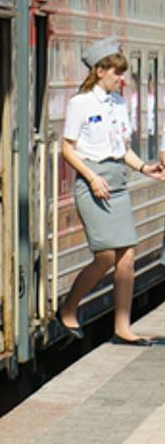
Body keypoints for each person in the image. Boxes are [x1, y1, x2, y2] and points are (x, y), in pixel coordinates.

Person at [56, 37, 165, 346]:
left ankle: (122, 327)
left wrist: (145, 168)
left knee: (127, 256)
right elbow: (67, 149)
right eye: (117, 73)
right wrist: (91, 178)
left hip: (117, 182)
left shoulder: (118, 104)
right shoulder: (81, 104)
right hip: (94, 183)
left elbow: (123, 149)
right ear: (100, 70)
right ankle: (68, 307)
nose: (122, 79)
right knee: (104, 255)